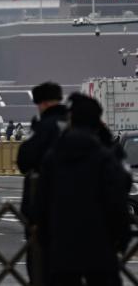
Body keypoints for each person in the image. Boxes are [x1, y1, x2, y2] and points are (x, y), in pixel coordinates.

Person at [37, 94, 130, 285]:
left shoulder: (52, 157)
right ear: (97, 121)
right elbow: (118, 200)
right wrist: (122, 237)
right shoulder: (104, 158)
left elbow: (40, 206)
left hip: (62, 250)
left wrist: (47, 241)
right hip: (100, 248)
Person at [17, 82, 66, 284]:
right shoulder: (82, 123)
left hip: (45, 207)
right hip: (83, 209)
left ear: (43, 103)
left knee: (40, 265)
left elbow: (25, 159)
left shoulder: (45, 127)